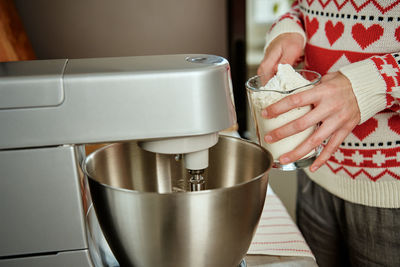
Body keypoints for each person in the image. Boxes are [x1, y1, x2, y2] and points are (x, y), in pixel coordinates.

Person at [257, 1, 400, 266]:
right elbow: (303, 7)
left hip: (391, 196)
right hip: (316, 176)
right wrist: (290, 27)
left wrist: (372, 84)